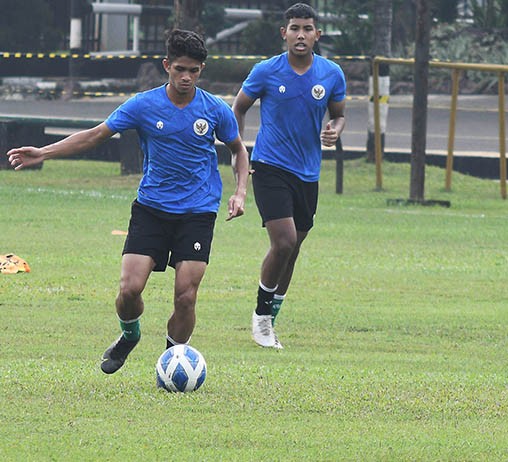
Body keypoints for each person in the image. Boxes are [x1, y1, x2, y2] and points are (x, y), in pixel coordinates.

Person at [6, 29, 250, 374]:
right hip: (151, 209)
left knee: (185, 296)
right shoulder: (143, 105)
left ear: (201, 70)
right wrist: (43, 152)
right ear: (166, 65)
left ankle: (172, 361)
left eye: (193, 70)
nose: (186, 77)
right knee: (129, 290)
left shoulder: (214, 109)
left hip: (198, 211)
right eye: (179, 68)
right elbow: (95, 135)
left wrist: (240, 192)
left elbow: (239, 152)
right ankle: (129, 335)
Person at [232, 2, 346, 349]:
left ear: (317, 35)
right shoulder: (266, 71)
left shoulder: (331, 74)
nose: (300, 35)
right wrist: (239, 152)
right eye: (294, 28)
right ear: (284, 33)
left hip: (308, 173)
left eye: (307, 29)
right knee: (283, 242)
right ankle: (261, 320)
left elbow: (339, 114)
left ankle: (271, 316)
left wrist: (335, 128)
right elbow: (238, 108)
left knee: (293, 249)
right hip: (269, 166)